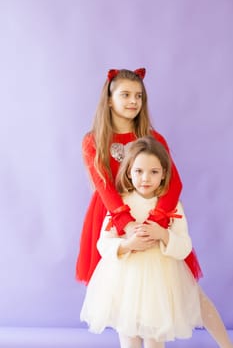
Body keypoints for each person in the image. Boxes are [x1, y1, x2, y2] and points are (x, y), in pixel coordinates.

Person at [77, 68, 233, 348]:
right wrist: (126, 227)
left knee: (184, 289)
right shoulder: (94, 141)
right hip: (112, 216)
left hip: (156, 215)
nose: (133, 101)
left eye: (139, 96)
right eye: (125, 94)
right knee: (121, 291)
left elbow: (174, 184)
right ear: (109, 99)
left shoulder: (153, 138)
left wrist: (158, 220)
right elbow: (105, 188)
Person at [80, 136, 203, 348]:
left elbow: (184, 247)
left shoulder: (171, 207)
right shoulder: (122, 205)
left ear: (164, 174)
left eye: (154, 172)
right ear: (129, 172)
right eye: (139, 171)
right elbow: (103, 243)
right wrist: (127, 245)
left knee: (155, 338)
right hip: (124, 282)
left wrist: (163, 235)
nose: (145, 178)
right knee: (128, 337)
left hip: (160, 284)